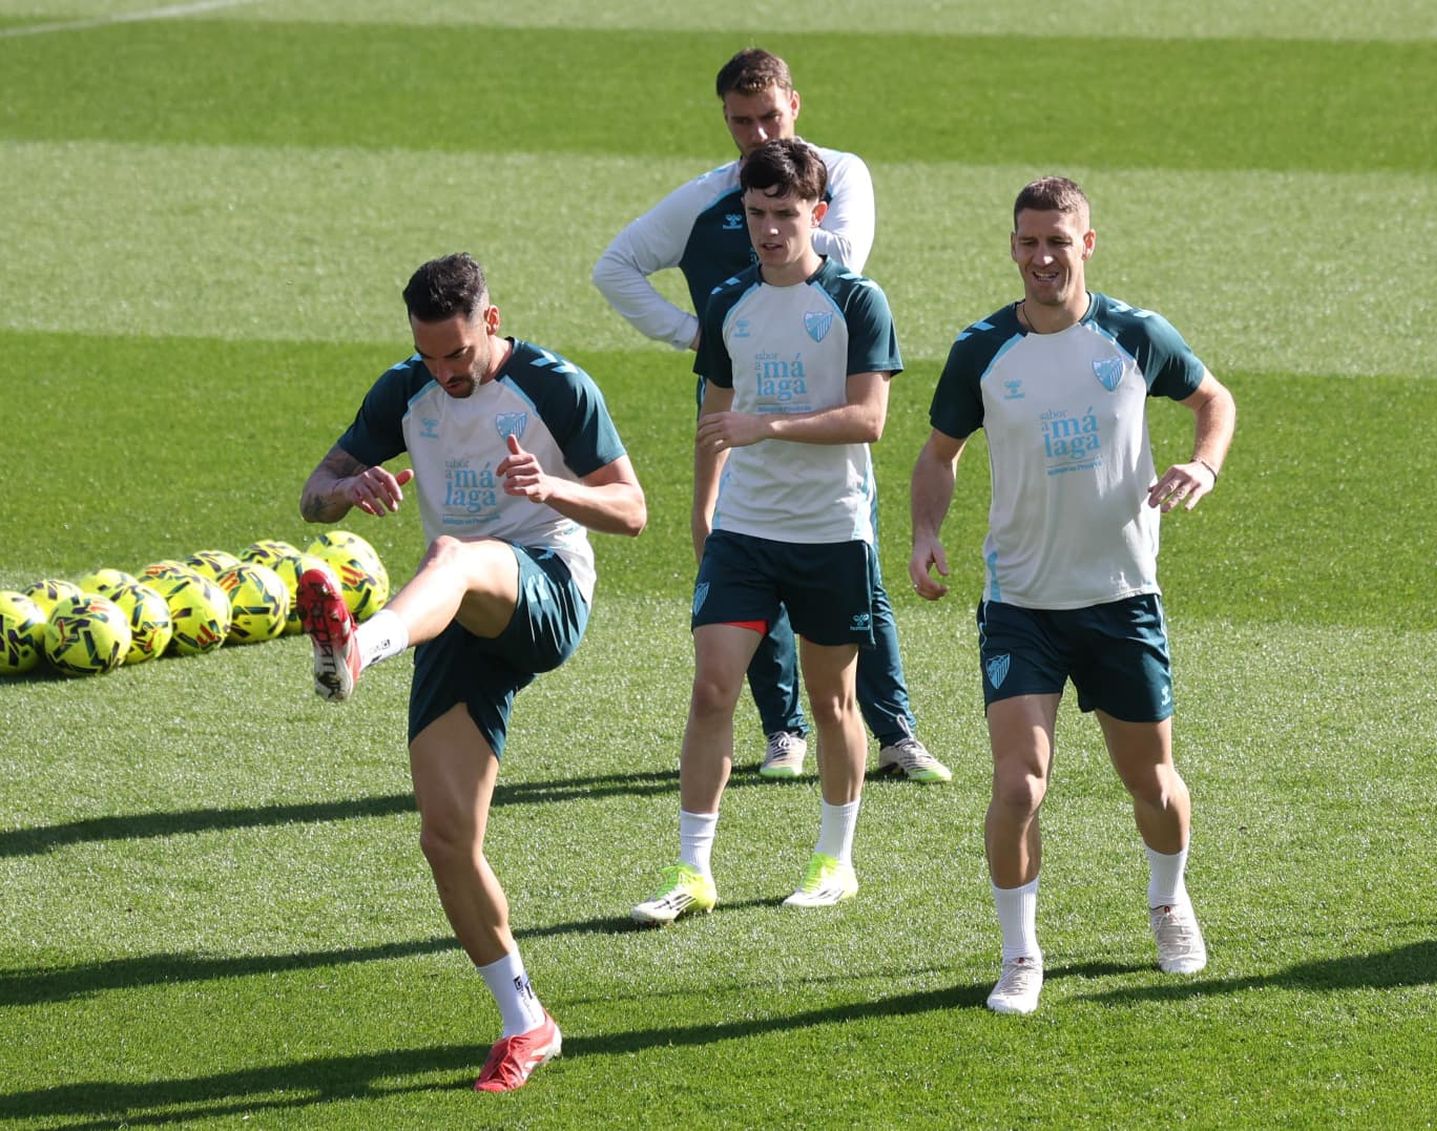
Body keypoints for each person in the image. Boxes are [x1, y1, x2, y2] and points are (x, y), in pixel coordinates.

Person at [296, 253, 647, 1090]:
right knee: (447, 836)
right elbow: (313, 491)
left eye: (457, 355)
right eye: (430, 358)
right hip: (450, 609)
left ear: (490, 321)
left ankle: (357, 650)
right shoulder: (403, 389)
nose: (446, 374)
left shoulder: (556, 386)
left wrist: (554, 490)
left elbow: (633, 511)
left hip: (544, 589)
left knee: (453, 550)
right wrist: (351, 488)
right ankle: (527, 1020)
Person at [908, 177, 1237, 1016]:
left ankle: (1169, 903)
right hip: (1021, 600)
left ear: (1087, 243)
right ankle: (1021, 954)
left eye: (1058, 240)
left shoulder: (1132, 333)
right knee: (1018, 785)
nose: (1042, 257)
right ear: (1012, 247)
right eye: (1028, 242)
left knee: (1152, 780)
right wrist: (925, 532)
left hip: (1122, 596)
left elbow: (1213, 400)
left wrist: (1203, 462)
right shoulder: (981, 349)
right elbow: (939, 453)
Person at [593, 47, 949, 784]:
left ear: (796, 105)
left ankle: (895, 731)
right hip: (736, 394)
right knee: (745, 561)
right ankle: (781, 730)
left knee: (855, 569)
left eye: (770, 117)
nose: (757, 134)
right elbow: (615, 266)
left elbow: (846, 251)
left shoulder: (839, 174)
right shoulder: (706, 196)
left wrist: (777, 229)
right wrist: (699, 330)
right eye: (741, 121)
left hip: (826, 396)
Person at [630, 139, 898, 924]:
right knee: (712, 685)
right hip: (744, 529)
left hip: (830, 530)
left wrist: (767, 424)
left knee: (831, 701)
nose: (770, 230)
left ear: (817, 213)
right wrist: (702, 504)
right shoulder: (727, 302)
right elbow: (716, 411)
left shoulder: (856, 301)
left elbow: (870, 418)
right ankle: (691, 869)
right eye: (756, 214)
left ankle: (835, 859)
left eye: (786, 214)